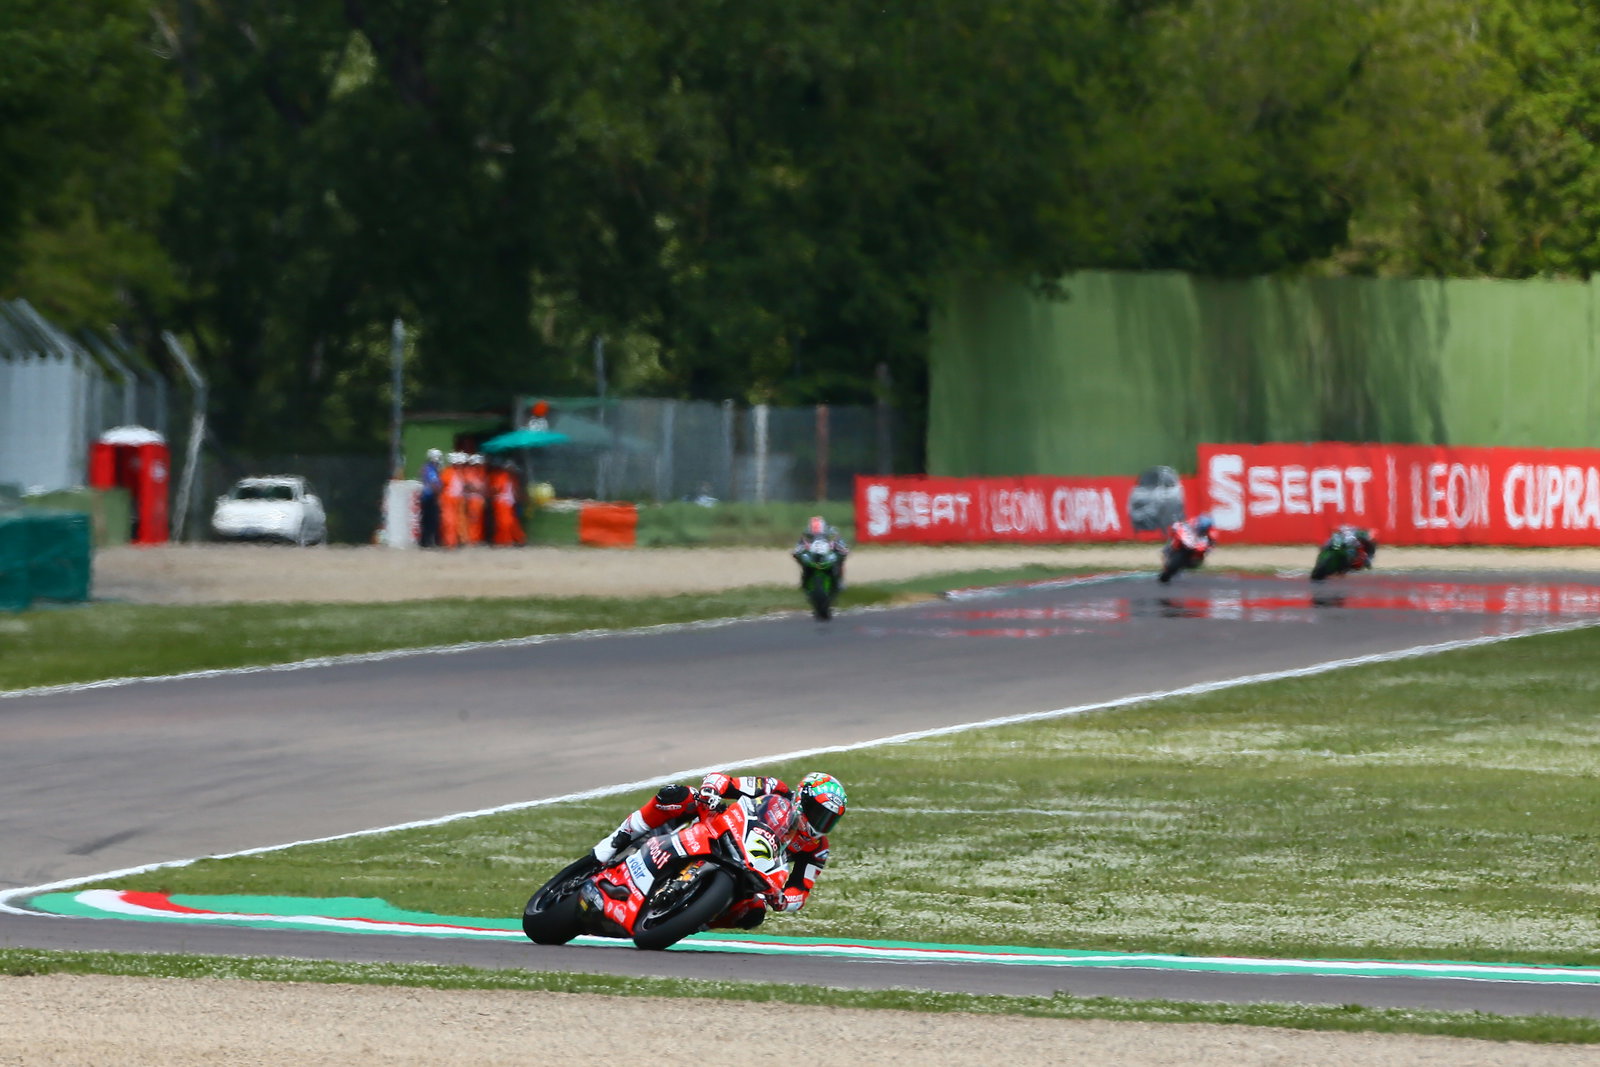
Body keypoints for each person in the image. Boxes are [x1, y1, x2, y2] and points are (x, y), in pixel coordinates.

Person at [590, 771, 848, 928]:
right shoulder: (775, 788)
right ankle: (615, 841)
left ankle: (694, 919)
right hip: (723, 826)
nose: (820, 823)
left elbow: (800, 891)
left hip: (753, 869)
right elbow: (727, 782)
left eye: (829, 820)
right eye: (818, 813)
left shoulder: (817, 848)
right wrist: (712, 791)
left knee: (754, 913)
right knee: (678, 795)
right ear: (802, 799)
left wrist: (783, 900)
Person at [793, 515, 848, 591]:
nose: (817, 535)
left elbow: (840, 543)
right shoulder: (806, 533)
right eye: (813, 534)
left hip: (828, 553)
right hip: (812, 554)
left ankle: (839, 581)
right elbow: (800, 545)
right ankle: (804, 581)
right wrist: (798, 551)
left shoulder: (832, 531)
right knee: (804, 563)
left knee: (839, 562)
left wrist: (842, 549)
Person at [418, 448, 443, 548]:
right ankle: (428, 542)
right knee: (431, 521)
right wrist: (440, 493)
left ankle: (425, 541)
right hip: (430, 497)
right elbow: (434, 485)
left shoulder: (426, 468)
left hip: (426, 497)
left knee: (426, 520)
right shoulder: (431, 469)